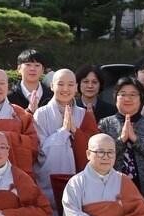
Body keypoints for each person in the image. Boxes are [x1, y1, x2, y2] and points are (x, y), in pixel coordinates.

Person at [33, 69, 100, 207]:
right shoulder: (40, 114)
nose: (65, 89)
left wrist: (75, 131)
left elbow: (95, 149)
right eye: (60, 84)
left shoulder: (84, 115)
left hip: (79, 176)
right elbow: (37, 150)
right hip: (48, 178)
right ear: (52, 86)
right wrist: (63, 132)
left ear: (76, 87)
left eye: (70, 84)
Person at [98, 77, 144, 208]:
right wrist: (122, 139)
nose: (127, 99)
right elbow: (99, 155)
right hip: (112, 184)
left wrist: (135, 140)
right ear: (116, 98)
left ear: (141, 98)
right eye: (122, 94)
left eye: (133, 95)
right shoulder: (105, 123)